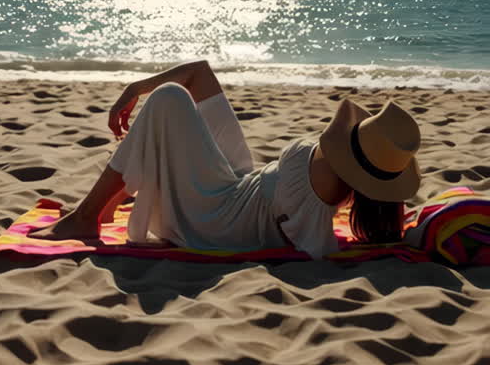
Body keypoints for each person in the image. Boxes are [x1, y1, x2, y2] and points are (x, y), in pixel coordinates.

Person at [40, 60, 422, 257]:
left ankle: (88, 216)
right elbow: (199, 71)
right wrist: (135, 85)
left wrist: (143, 90)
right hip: (245, 186)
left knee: (168, 98)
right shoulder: (345, 174)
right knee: (200, 78)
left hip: (221, 216)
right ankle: (106, 203)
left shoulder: (331, 181)